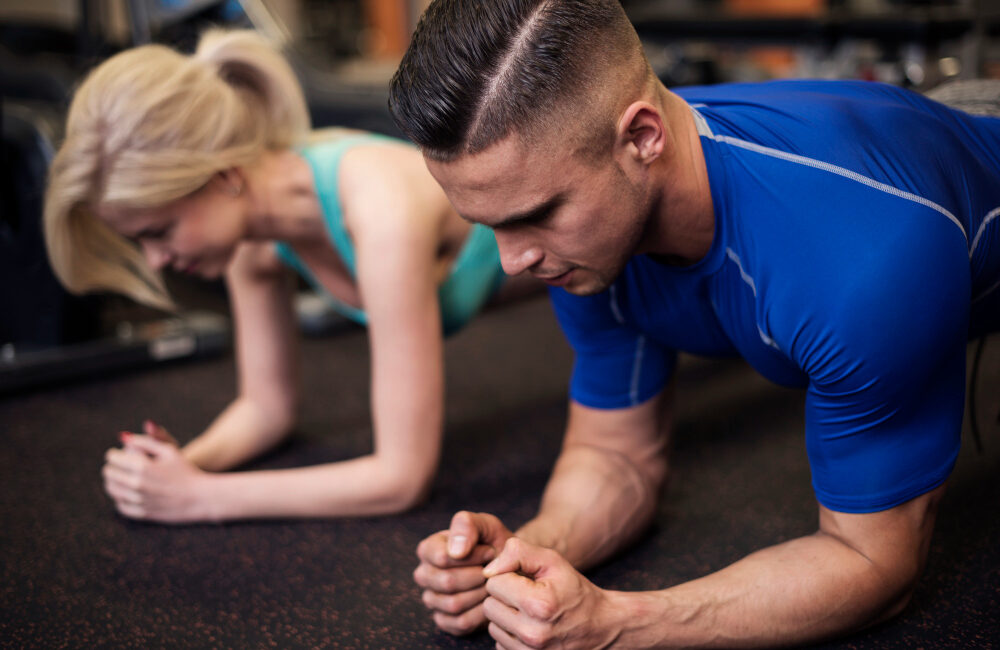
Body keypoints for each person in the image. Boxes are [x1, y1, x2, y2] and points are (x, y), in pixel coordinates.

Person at [387, 0, 1000, 647]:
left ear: (644, 137)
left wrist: (618, 626)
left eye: (535, 214)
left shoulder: (864, 258)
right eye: (493, 224)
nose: (513, 261)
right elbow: (614, 455)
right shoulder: (581, 216)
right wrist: (524, 552)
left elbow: (874, 563)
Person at [42, 28, 531, 524]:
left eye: (160, 231)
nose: (156, 261)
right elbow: (265, 409)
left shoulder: (380, 211)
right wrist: (179, 467)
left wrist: (202, 498)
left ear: (225, 176)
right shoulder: (251, 243)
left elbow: (401, 477)